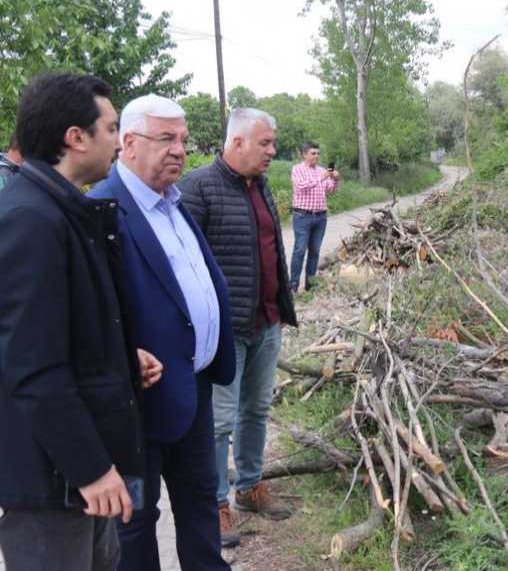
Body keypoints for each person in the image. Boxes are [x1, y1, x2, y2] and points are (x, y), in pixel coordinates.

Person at [0, 73, 160, 571]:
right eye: (111, 128)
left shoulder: (67, 209)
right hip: (51, 480)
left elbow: (66, 329)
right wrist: (90, 471)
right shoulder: (30, 218)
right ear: (76, 137)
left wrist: (121, 360)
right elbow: (31, 366)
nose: (118, 140)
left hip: (76, 468)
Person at [89, 94, 236, 570]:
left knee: (199, 502)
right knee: (134, 521)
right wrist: (120, 353)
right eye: (166, 138)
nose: (179, 149)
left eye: (183, 140)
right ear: (128, 143)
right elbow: (84, 314)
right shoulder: (100, 209)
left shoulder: (174, 203)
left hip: (191, 388)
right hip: (136, 400)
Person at [178, 108, 297, 547]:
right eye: (265, 143)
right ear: (238, 142)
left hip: (266, 321)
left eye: (273, 143)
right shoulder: (197, 188)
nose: (272, 151)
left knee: (257, 410)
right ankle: (216, 505)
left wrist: (282, 304)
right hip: (225, 332)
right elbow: (184, 266)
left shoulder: (262, 186)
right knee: (220, 420)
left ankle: (249, 486)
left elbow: (274, 252)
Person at [289, 142, 338, 292]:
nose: (316, 156)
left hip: (320, 217)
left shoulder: (322, 170)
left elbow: (331, 190)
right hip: (302, 216)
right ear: (305, 154)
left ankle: (310, 285)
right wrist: (322, 178)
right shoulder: (298, 169)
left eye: (318, 153)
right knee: (299, 250)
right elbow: (301, 186)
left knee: (315, 251)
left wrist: (336, 179)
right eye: (313, 153)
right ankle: (293, 286)